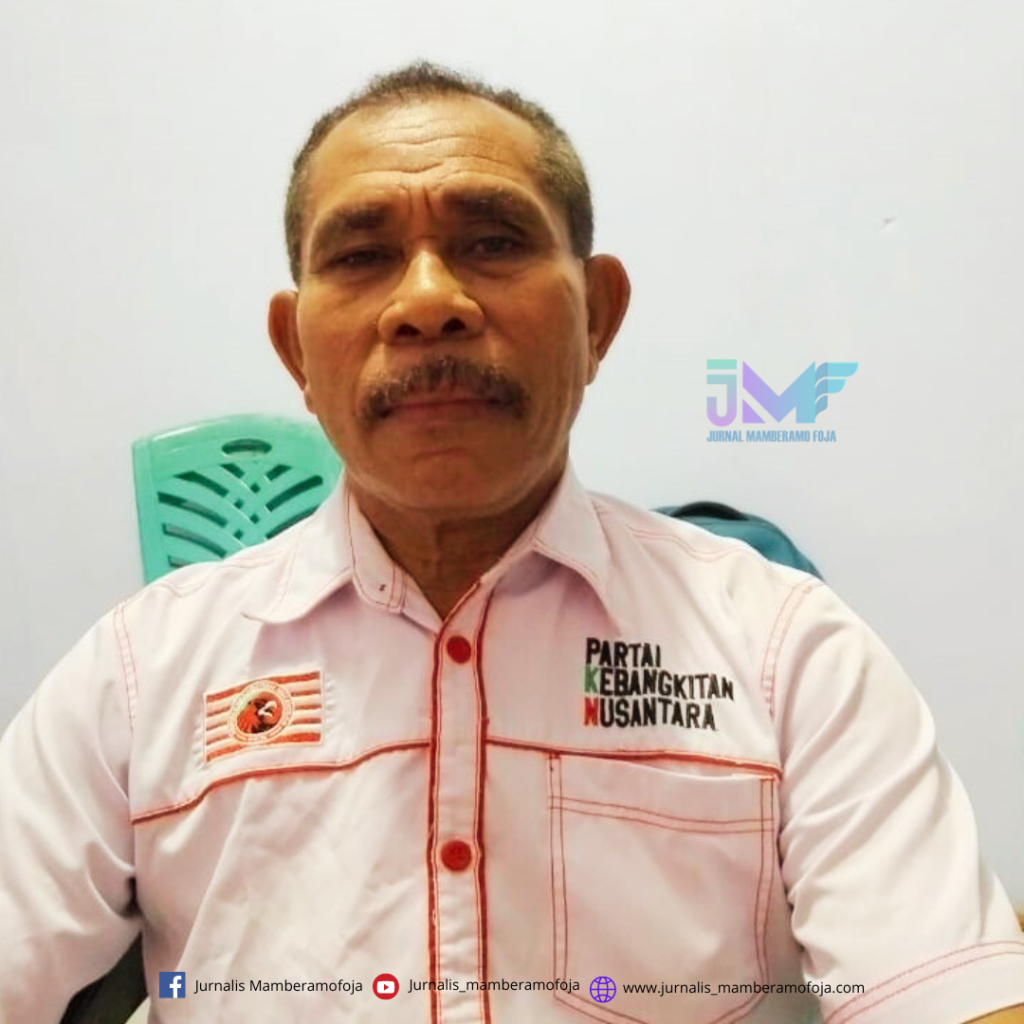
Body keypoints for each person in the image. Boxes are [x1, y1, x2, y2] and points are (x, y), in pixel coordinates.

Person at [1, 60, 1022, 1024]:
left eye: (492, 241)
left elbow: (945, 990)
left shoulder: (789, 652)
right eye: (361, 256)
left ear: (598, 317)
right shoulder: (139, 673)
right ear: (294, 349)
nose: (428, 301)